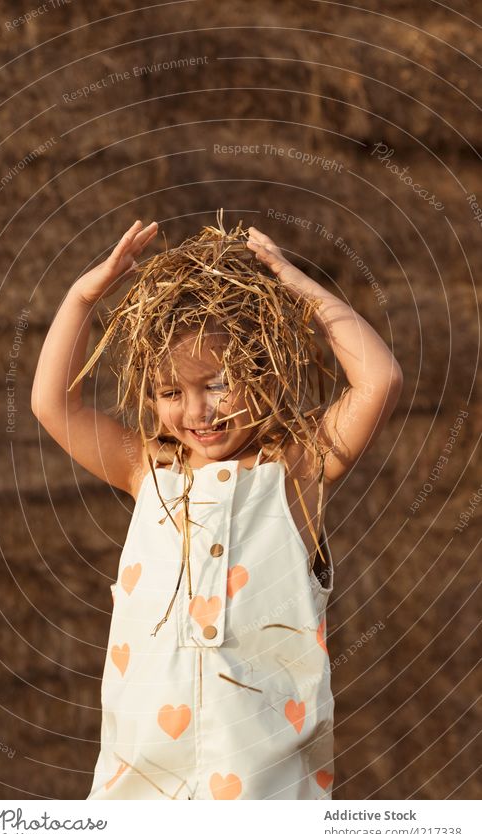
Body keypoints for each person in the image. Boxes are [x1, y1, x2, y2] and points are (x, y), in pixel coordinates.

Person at [31, 213, 403, 800]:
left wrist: (299, 289)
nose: (198, 412)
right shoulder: (147, 468)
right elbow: (54, 403)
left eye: (219, 383)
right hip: (143, 782)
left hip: (267, 785)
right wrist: (84, 296)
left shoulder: (296, 468)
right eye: (171, 392)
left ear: (267, 368)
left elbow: (378, 381)